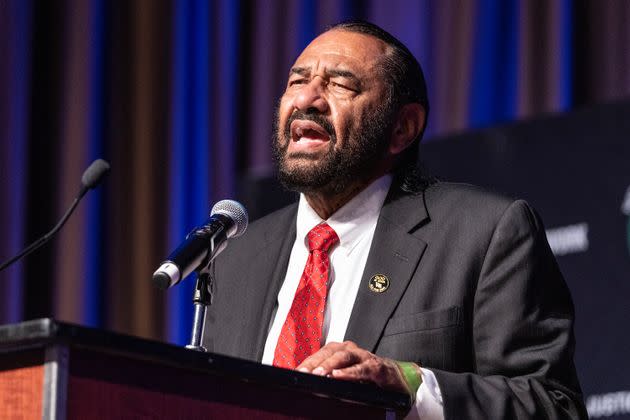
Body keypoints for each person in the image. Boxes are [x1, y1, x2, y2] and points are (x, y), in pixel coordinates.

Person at [203, 21, 586, 419]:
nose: (307, 99)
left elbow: (553, 406)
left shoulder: (485, 232)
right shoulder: (237, 257)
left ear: (403, 128)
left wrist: (409, 384)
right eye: (297, 81)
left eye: (340, 85)